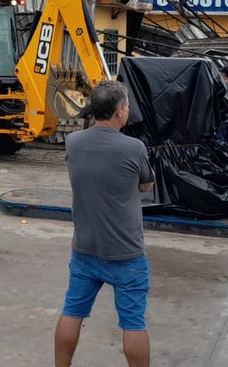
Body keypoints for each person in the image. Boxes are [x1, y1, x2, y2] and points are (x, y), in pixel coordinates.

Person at [54, 80, 155, 367]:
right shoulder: (134, 147)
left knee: (72, 311)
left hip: (84, 248)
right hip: (126, 253)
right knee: (133, 322)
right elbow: (146, 184)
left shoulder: (73, 141)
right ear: (120, 111)